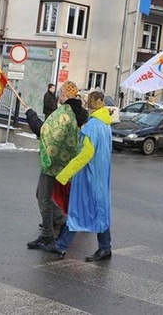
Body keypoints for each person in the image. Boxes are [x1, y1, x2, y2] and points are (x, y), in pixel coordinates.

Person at [43, 91, 114, 261]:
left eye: (90, 100)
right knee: (99, 211)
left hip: (89, 176)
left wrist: (65, 174)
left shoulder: (93, 126)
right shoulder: (106, 124)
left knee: (78, 210)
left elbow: (85, 154)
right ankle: (105, 247)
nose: (88, 102)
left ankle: (62, 246)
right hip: (101, 176)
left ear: (96, 102)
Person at [24, 80, 88, 250]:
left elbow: (45, 132)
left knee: (43, 198)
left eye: (60, 92)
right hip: (62, 162)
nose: (58, 95)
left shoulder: (63, 114)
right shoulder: (74, 113)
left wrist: (30, 115)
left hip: (53, 163)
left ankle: (47, 235)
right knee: (42, 194)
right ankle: (61, 222)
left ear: (64, 95)